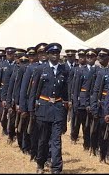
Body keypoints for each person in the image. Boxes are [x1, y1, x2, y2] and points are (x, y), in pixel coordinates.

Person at [29, 43, 68, 174]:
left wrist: (66, 107)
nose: (55, 55)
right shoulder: (41, 69)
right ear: (48, 55)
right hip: (44, 108)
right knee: (43, 139)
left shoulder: (64, 70)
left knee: (56, 140)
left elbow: (65, 92)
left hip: (57, 108)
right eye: (52, 53)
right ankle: (40, 163)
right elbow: (34, 91)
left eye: (57, 53)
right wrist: (31, 110)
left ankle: (56, 168)